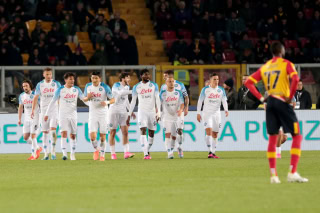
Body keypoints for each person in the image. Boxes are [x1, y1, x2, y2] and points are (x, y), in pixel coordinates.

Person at [245, 41, 308, 183]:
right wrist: (289, 96)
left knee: (273, 138)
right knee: (297, 136)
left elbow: (248, 82)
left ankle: (273, 175)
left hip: (270, 102)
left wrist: (262, 98)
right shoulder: (286, 64)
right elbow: (296, 79)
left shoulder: (266, 66)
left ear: (272, 52)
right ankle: (292, 172)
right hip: (282, 100)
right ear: (282, 51)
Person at [44, 72, 86, 161]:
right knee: (64, 133)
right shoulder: (60, 90)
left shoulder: (77, 89)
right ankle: (64, 154)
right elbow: (52, 102)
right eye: (70, 79)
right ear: (65, 80)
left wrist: (92, 104)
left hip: (73, 114)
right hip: (62, 114)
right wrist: (47, 114)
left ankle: (72, 154)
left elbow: (84, 99)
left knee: (73, 135)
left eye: (73, 79)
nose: (72, 80)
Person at [127, 69, 161, 159]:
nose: (147, 76)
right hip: (142, 111)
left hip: (152, 112)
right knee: (142, 130)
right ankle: (146, 154)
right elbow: (133, 101)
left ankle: (147, 149)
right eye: (145, 75)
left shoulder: (154, 85)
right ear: (141, 76)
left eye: (148, 75)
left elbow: (157, 99)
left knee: (151, 133)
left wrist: (159, 113)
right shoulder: (136, 87)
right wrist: (129, 114)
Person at [83, 72, 114, 161]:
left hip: (103, 113)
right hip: (92, 113)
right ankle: (96, 150)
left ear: (99, 79)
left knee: (102, 136)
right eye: (93, 78)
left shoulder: (105, 87)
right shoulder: (88, 86)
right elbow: (84, 98)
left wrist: (107, 102)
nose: (94, 80)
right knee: (92, 136)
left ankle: (102, 155)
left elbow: (113, 99)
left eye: (96, 78)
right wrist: (87, 98)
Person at [31, 68, 61, 160]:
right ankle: (46, 154)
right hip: (43, 111)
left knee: (52, 131)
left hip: (54, 110)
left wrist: (60, 109)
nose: (48, 76)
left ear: (52, 75)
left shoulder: (56, 84)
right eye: (47, 74)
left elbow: (60, 97)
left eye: (50, 74)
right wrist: (32, 110)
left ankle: (53, 151)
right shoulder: (40, 84)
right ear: (43, 75)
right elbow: (35, 97)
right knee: (45, 133)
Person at [197, 73, 229, 159]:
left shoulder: (221, 90)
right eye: (214, 79)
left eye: (217, 79)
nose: (216, 81)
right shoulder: (205, 90)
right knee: (209, 132)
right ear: (210, 80)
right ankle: (210, 151)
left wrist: (226, 110)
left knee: (215, 134)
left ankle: (213, 152)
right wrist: (198, 113)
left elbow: (224, 101)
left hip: (217, 114)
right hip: (207, 114)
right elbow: (200, 101)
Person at [160, 70, 189, 158]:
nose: (164, 77)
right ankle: (170, 152)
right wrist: (159, 113)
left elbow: (186, 97)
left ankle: (179, 147)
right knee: (169, 134)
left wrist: (185, 108)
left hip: (179, 111)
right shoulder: (163, 87)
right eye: (164, 77)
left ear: (170, 76)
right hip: (167, 113)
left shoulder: (180, 85)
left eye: (165, 76)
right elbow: (161, 101)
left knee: (179, 131)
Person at [108, 72, 136, 159]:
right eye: (128, 78)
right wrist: (133, 91)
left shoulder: (127, 87)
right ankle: (113, 154)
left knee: (125, 132)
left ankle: (126, 152)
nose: (130, 79)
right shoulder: (116, 85)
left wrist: (130, 111)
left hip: (123, 111)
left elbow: (126, 100)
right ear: (123, 79)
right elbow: (120, 93)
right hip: (114, 111)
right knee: (113, 132)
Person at [18, 80, 42, 160]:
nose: (25, 87)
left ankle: (34, 154)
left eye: (26, 86)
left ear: (30, 86)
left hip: (35, 117)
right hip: (26, 118)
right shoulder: (21, 96)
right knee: (25, 137)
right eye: (23, 86)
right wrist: (19, 118)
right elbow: (21, 108)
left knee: (33, 135)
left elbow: (41, 105)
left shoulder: (35, 95)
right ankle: (38, 148)